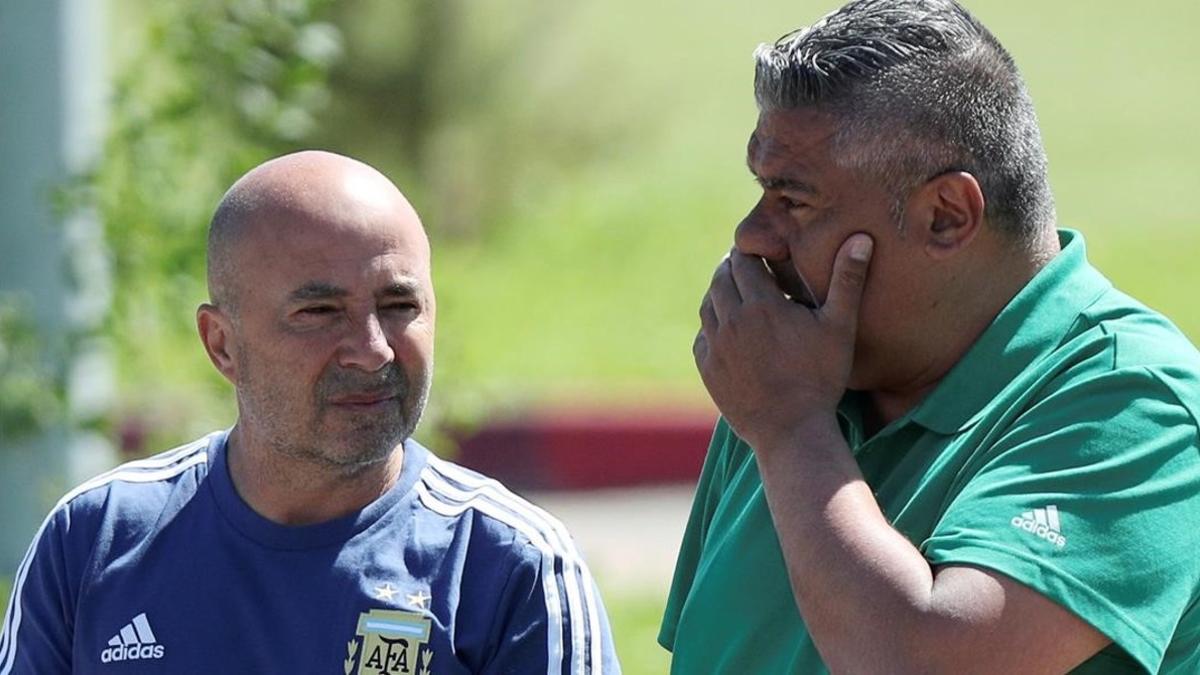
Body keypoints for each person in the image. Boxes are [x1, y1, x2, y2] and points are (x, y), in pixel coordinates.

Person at [660, 1, 1200, 673]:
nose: (752, 235)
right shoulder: (782, 383)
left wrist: (795, 431)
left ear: (947, 215)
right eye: (761, 190)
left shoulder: (1134, 403)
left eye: (792, 200)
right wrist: (786, 423)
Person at [0, 150, 620, 674]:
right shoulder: (93, 539)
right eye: (320, 313)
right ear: (222, 344)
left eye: (400, 304)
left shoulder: (511, 563)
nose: (373, 349)